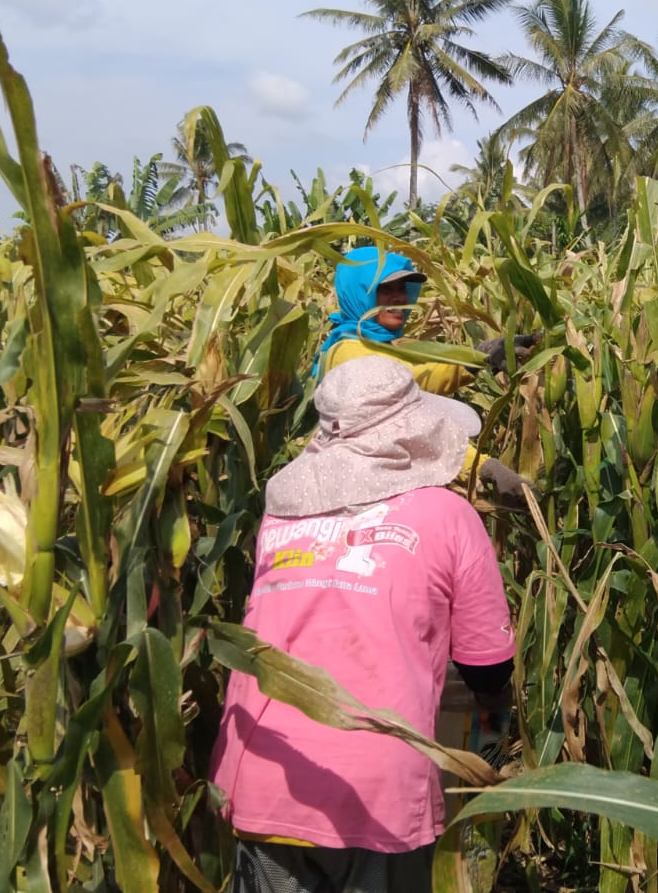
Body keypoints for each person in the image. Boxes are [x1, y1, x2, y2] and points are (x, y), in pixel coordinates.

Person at [210, 357, 516, 893]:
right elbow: (487, 669)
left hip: (261, 766)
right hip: (378, 791)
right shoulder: (448, 515)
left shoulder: (281, 514)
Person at [314, 245, 535, 500]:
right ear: (360, 293)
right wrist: (482, 465)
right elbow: (407, 420)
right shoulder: (348, 353)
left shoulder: (378, 345)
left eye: (402, 288)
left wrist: (481, 356)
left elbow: (420, 375)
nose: (399, 298)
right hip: (357, 497)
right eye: (385, 289)